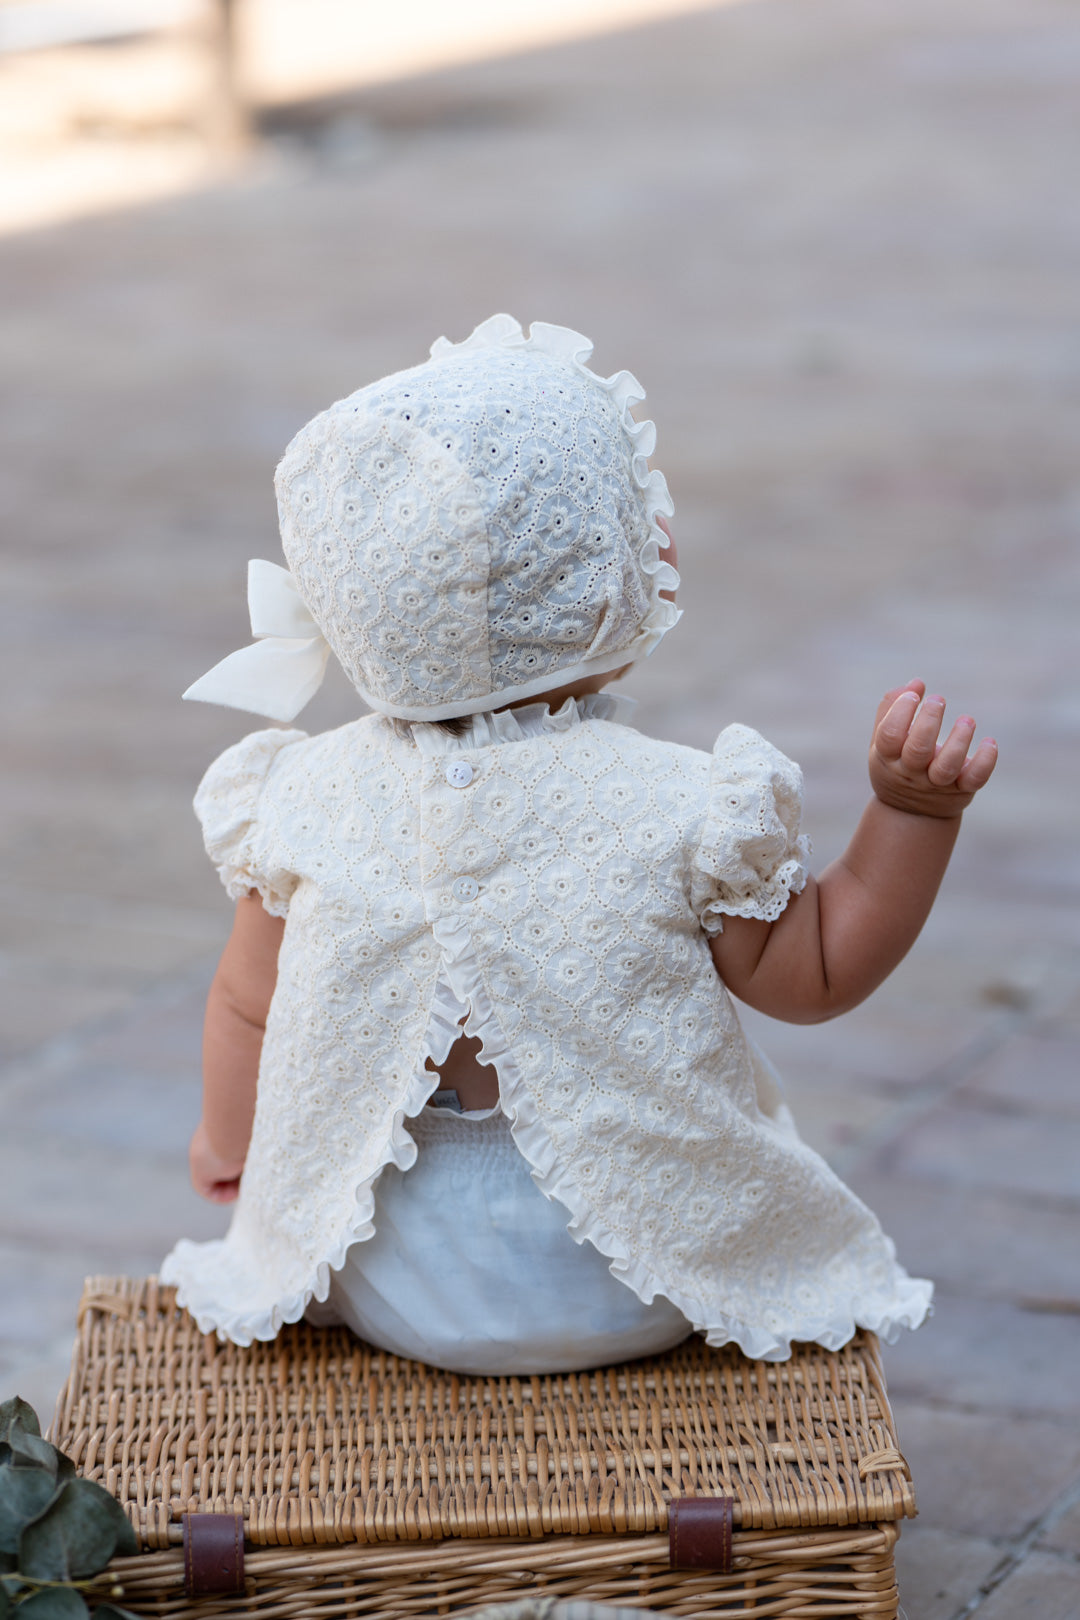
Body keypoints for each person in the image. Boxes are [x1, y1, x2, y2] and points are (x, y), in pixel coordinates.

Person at [161, 314, 996, 1370]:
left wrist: (226, 1145)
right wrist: (914, 815)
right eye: (635, 517)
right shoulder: (677, 802)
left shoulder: (305, 794)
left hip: (393, 1279)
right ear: (591, 592)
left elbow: (247, 1004)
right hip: (631, 1273)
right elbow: (817, 975)